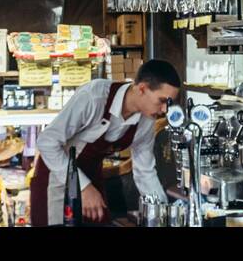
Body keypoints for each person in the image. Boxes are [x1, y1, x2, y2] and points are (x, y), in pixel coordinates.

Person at [29, 59, 180, 226]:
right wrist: (84, 188)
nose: (165, 110)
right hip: (56, 178)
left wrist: (162, 214)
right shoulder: (94, 97)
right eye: (162, 101)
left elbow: (144, 171)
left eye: (169, 103)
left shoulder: (146, 120)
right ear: (142, 89)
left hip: (92, 177)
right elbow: (46, 142)